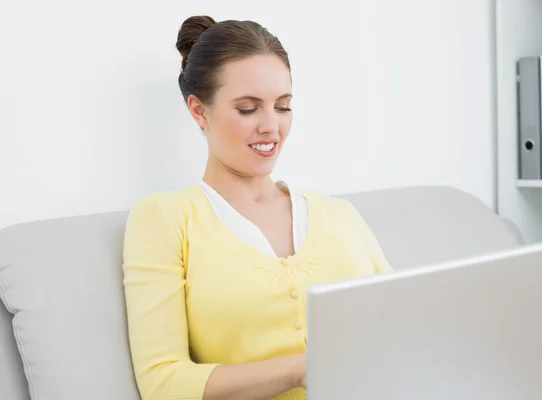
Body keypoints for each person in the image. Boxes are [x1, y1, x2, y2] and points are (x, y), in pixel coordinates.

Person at [122, 15, 392, 400]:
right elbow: (163, 384)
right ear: (199, 111)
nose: (271, 126)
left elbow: (400, 330)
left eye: (282, 107)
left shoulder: (339, 214)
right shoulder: (166, 219)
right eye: (248, 109)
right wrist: (303, 369)